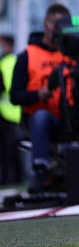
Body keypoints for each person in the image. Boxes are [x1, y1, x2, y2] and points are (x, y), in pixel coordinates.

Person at [9, 3, 74, 190]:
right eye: (57, 24)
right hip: (42, 118)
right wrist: (39, 94)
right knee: (40, 117)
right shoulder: (27, 56)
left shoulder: (71, 55)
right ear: (47, 24)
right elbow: (15, 95)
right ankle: (41, 167)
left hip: (70, 116)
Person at [0, 34, 22, 184]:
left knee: (7, 148)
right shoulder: (15, 61)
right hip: (15, 110)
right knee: (13, 148)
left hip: (6, 111)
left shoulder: (4, 63)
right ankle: (15, 177)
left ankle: (9, 178)